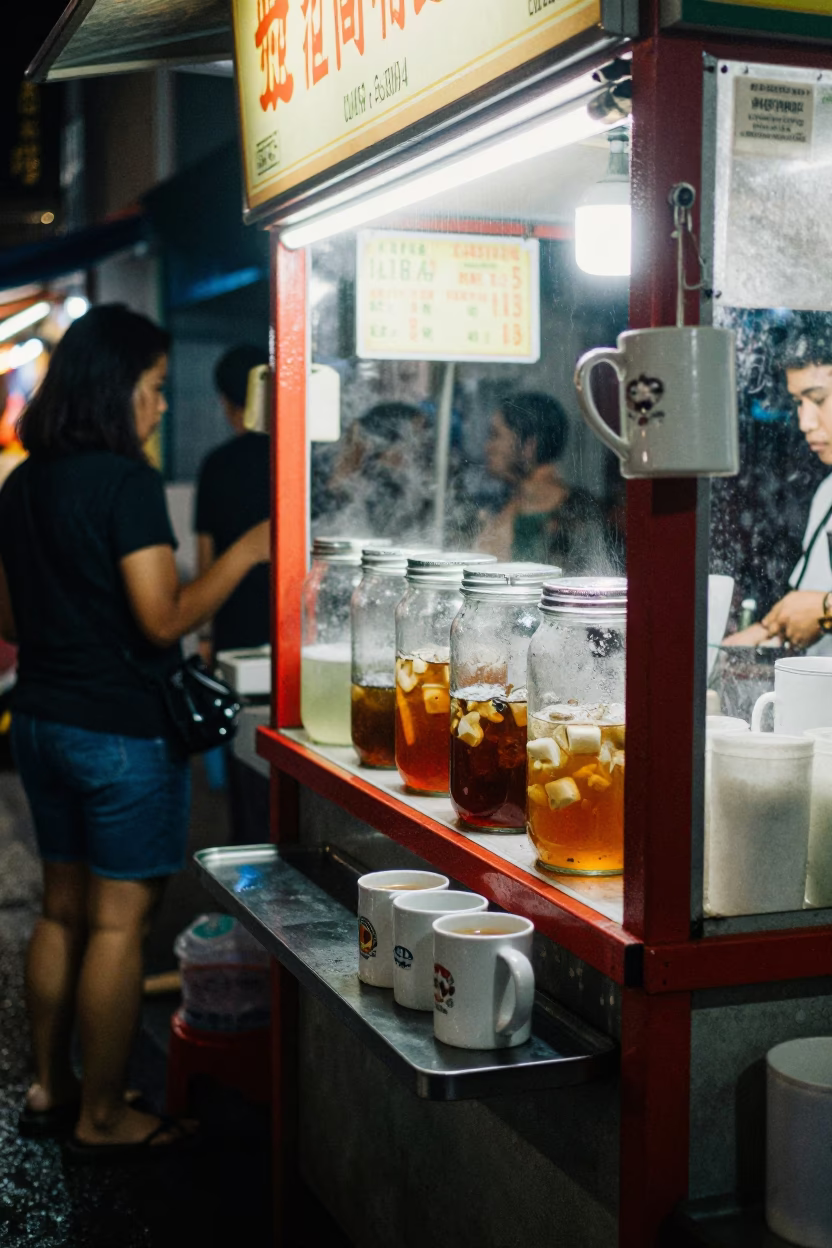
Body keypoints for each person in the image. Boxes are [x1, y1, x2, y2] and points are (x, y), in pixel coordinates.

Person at [0, 305, 269, 1158]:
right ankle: (108, 1113)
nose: (159, 407)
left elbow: (8, 612)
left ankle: (52, 1086)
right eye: (153, 390)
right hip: (119, 732)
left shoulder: (22, 482)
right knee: (118, 927)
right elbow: (162, 619)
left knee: (61, 912)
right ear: (119, 390)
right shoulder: (125, 484)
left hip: (40, 721)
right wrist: (246, 552)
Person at [726, 333, 832, 651]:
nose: (805, 422)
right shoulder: (827, 493)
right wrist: (722, 651)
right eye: (799, 403)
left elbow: (818, 607)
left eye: (819, 399)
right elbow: (804, 605)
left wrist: (826, 609)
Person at [195, 345, 270, 658]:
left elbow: (205, 554)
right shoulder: (297, 459)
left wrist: (205, 633)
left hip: (233, 623)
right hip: (288, 620)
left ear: (225, 402)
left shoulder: (217, 465)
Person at [477, 391, 605, 570]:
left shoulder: (576, 513)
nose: (487, 447)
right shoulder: (504, 504)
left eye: (496, 435)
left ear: (529, 446)